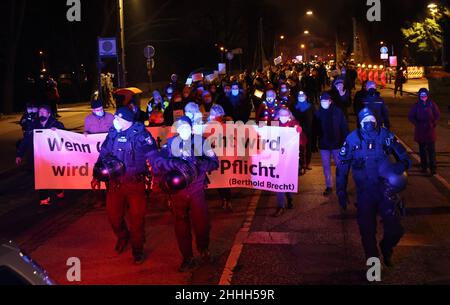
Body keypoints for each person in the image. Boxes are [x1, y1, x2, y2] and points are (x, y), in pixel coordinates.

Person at [336, 108, 412, 267]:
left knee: (395, 229)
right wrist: (341, 190)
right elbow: (342, 166)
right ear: (359, 122)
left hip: (385, 189)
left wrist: (402, 164)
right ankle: (374, 267)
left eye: (371, 120)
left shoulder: (385, 135)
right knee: (367, 231)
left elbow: (404, 155)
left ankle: (387, 248)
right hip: (365, 192)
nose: (369, 124)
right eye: (365, 121)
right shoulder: (352, 139)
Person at [147, 116, 219, 272]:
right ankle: (187, 258)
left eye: (186, 127)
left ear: (191, 128)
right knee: (181, 225)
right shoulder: (171, 143)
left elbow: (215, 162)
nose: (183, 130)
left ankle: (204, 250)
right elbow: (157, 163)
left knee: (202, 224)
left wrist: (200, 164)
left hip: (196, 190)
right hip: (177, 192)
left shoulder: (200, 142)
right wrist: (171, 163)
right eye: (179, 128)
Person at [92, 107, 157, 265]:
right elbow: (104, 153)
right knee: (113, 216)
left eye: (118, 118)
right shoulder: (113, 133)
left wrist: (159, 175)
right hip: (115, 184)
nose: (115, 121)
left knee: (137, 219)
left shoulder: (142, 135)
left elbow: (154, 157)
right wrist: (96, 173)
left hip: (135, 184)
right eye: (115, 118)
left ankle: (138, 249)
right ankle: (123, 237)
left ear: (128, 121)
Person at [16, 105, 66, 206]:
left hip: (52, 158)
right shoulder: (33, 126)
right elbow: (26, 141)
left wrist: (57, 130)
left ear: (49, 114)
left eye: (43, 113)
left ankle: (58, 189)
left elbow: (65, 135)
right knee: (40, 177)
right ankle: (44, 198)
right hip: (38, 158)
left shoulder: (56, 124)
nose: (41, 114)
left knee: (53, 175)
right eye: (40, 113)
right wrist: (19, 154)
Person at [313, 92, 349, 196]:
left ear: (330, 101)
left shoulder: (338, 112)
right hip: (324, 144)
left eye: (326, 101)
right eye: (322, 101)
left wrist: (345, 141)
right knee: (326, 167)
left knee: (340, 166)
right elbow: (315, 130)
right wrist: (314, 142)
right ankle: (329, 186)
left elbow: (344, 127)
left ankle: (341, 186)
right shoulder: (318, 113)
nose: (324, 103)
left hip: (337, 143)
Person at [84, 100, 115, 207]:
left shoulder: (110, 117)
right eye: (97, 110)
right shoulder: (88, 119)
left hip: (109, 151)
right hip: (95, 153)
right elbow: (87, 131)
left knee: (110, 175)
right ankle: (101, 199)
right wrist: (86, 133)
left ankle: (112, 198)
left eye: (101, 109)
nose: (100, 111)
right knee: (97, 176)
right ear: (93, 110)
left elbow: (115, 130)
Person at [271, 108, 301, 217]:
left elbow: (302, 139)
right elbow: (268, 135)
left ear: (289, 115)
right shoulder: (274, 124)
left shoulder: (294, 124)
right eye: (281, 115)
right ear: (278, 115)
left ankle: (289, 198)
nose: (283, 117)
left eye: (286, 115)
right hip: (277, 158)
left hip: (290, 158)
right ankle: (281, 206)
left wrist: (299, 130)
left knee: (286, 180)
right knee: (280, 181)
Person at [408, 88, 441, 176]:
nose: (423, 97)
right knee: (422, 150)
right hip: (420, 130)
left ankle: (433, 168)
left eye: (425, 95)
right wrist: (417, 123)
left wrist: (434, 123)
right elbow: (411, 116)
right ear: (419, 96)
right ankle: (424, 167)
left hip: (430, 130)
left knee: (431, 151)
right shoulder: (416, 105)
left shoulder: (431, 104)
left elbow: (437, 114)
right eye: (422, 95)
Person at [291, 91, 314, 174]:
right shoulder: (295, 106)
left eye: (302, 95)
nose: (301, 97)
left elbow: (314, 118)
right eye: (299, 96)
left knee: (308, 147)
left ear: (306, 96)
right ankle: (301, 164)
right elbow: (293, 117)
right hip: (298, 130)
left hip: (308, 130)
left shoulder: (310, 106)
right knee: (300, 148)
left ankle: (308, 163)